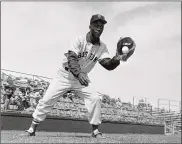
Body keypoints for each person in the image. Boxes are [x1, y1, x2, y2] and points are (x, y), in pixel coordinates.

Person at [26, 14, 135, 138]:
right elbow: (72, 58)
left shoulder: (102, 47)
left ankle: (95, 131)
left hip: (81, 79)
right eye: (96, 25)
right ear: (90, 26)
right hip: (65, 75)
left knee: (95, 98)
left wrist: (117, 58)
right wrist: (78, 73)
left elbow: (108, 65)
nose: (99, 28)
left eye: (101, 26)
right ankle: (32, 129)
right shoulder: (79, 40)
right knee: (47, 100)